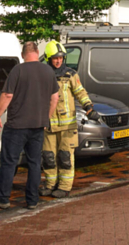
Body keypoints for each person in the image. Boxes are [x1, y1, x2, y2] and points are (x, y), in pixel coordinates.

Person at [0, 42, 60, 210]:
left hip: (17, 126)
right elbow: (54, 98)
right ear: (37, 52)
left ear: (23, 54)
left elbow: (7, 95)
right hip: (37, 126)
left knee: (9, 162)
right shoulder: (48, 71)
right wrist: (45, 118)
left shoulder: (18, 70)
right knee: (34, 163)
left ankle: (3, 199)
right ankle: (32, 200)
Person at [40, 41, 98, 198]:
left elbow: (80, 92)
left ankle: (64, 187)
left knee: (65, 157)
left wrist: (89, 108)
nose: (58, 61)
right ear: (48, 58)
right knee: (48, 158)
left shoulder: (70, 74)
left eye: (61, 58)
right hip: (49, 125)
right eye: (55, 58)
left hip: (67, 126)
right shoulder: (42, 75)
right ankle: (49, 185)